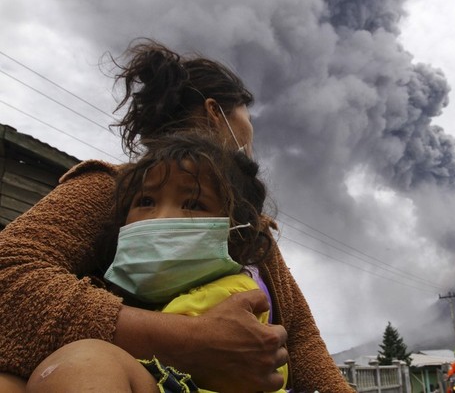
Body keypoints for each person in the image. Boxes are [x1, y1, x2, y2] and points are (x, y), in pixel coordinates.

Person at [0, 39, 354, 392]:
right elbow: (11, 274)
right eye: (247, 117)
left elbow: (301, 338)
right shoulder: (110, 187)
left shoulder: (250, 229)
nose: (249, 135)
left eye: (194, 204)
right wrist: (188, 340)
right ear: (216, 113)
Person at [29, 132, 288, 392]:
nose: (160, 218)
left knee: (83, 364)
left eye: (194, 204)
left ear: (238, 232)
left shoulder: (233, 297)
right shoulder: (116, 295)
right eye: (146, 201)